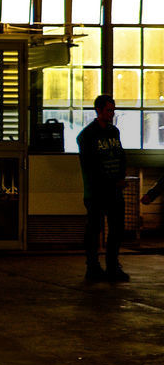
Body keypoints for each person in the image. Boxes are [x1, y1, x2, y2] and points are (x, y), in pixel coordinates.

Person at [76, 94, 128, 282]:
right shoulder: (88, 136)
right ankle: (95, 267)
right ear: (98, 110)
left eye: (113, 110)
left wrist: (120, 177)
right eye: (108, 110)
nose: (112, 114)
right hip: (97, 192)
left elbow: (120, 156)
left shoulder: (113, 132)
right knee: (95, 229)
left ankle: (109, 267)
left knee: (114, 229)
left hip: (112, 190)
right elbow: (91, 167)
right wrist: (115, 180)